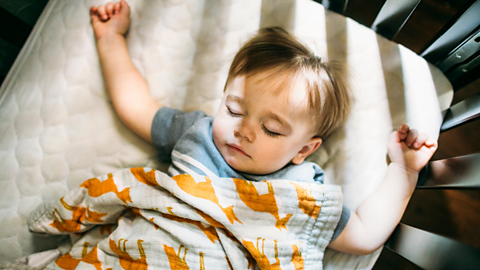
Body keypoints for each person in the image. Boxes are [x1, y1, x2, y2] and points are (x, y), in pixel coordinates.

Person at [90, 0, 438, 256]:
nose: (244, 131)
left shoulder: (300, 192)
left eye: (272, 129)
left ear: (304, 150)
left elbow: (363, 235)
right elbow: (135, 107)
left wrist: (404, 170)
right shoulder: (197, 132)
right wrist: (111, 38)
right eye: (234, 109)